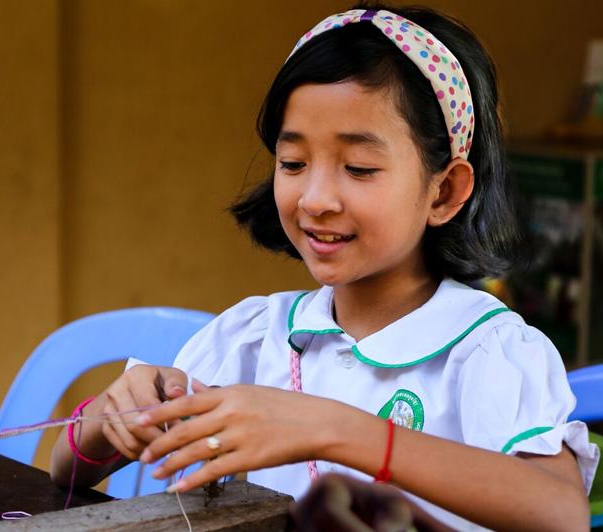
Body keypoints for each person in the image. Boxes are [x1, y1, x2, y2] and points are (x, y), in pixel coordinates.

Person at [50, 3, 599, 529]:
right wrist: (108, 416)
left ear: (444, 191)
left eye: (358, 167)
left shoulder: (486, 351)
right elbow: (64, 470)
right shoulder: (254, 338)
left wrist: (340, 431)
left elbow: (559, 514)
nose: (314, 199)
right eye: (293, 163)